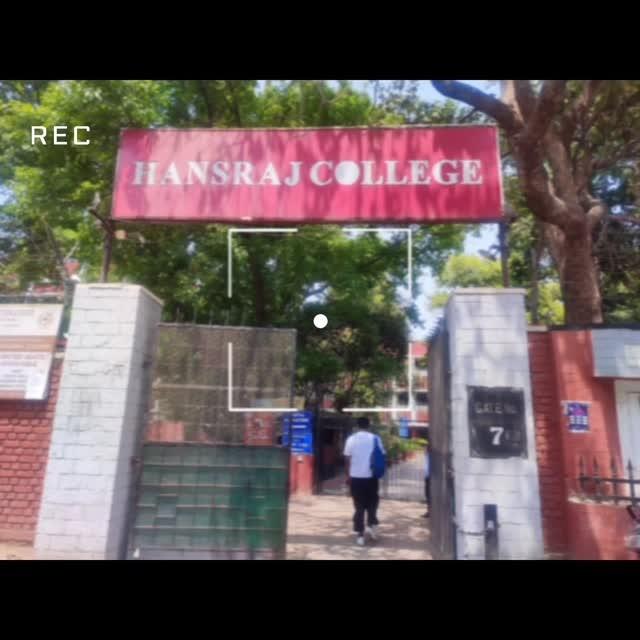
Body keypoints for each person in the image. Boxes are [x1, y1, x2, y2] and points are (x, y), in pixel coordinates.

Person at [343, 417, 385, 546]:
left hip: (356, 477)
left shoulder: (351, 439)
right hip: (371, 477)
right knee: (372, 503)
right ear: (369, 425)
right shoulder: (375, 438)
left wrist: (348, 476)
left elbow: (347, 459)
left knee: (359, 506)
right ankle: (371, 526)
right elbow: (382, 455)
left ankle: (360, 535)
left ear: (357, 426)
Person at [422, 441, 431, 518]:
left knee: (429, 494)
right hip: (427, 477)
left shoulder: (430, 456)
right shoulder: (427, 456)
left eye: (425, 448)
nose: (423, 450)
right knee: (427, 494)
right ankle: (429, 511)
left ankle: (430, 511)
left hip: (431, 478)